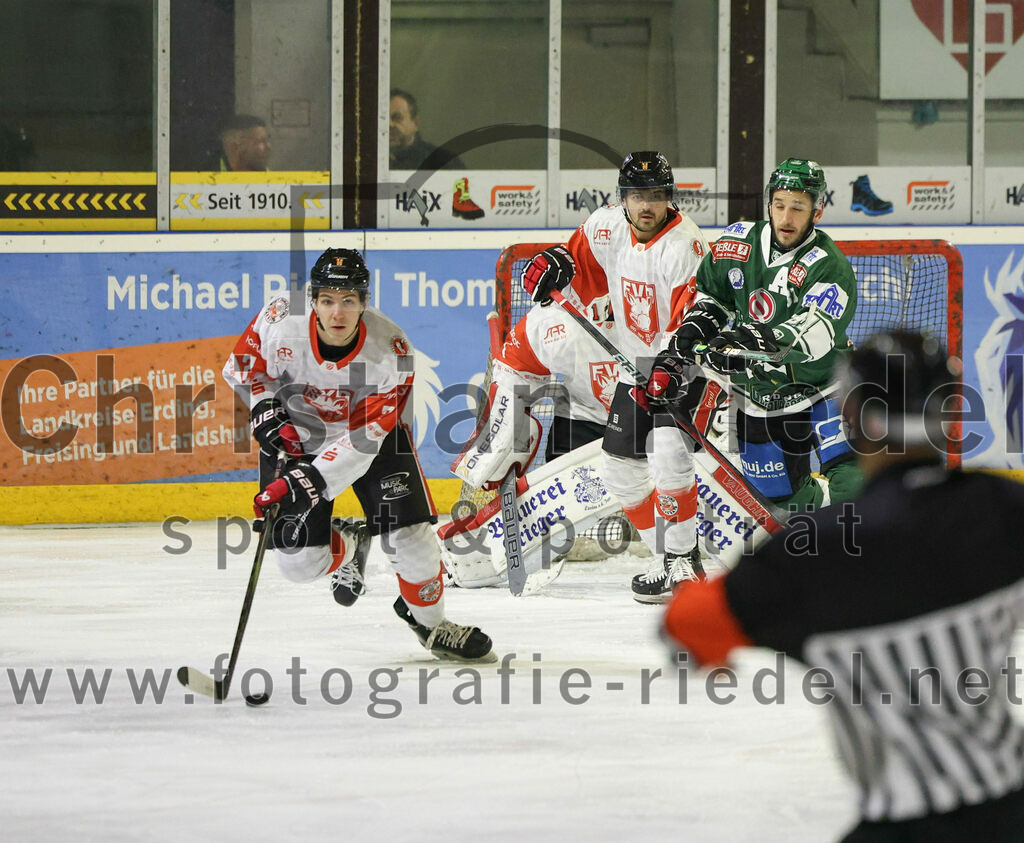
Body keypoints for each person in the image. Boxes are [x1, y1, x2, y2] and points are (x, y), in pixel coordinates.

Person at [662, 331, 1024, 842]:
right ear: (947, 416)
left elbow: (687, 623)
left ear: (853, 422)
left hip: (902, 822)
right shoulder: (1002, 509)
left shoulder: (810, 552)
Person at [222, 247, 495, 662]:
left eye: (349, 300)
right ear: (312, 300)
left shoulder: (393, 350)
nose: (338, 312)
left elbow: (365, 442)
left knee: (414, 542)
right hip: (298, 433)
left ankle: (432, 625)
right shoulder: (279, 318)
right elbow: (242, 368)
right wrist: (264, 406)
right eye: (328, 300)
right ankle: (349, 545)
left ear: (364, 303)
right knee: (298, 565)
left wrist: (310, 481)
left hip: (374, 441)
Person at [521, 150, 720, 604]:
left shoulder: (684, 246)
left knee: (669, 451)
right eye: (636, 195)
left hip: (686, 365)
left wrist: (669, 365)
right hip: (637, 368)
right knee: (620, 471)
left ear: (669, 197)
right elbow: (575, 261)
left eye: (655, 195)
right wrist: (554, 262)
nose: (646, 205)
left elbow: (691, 323)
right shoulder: (607, 225)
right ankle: (663, 559)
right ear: (622, 198)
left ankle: (685, 561)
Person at [653, 157, 862, 511]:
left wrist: (746, 339)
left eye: (798, 207)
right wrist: (697, 327)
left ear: (817, 211)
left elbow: (812, 333)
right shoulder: (737, 242)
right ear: (768, 203)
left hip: (827, 388)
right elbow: (713, 297)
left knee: (852, 479)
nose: (786, 217)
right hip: (759, 397)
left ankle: (865, 557)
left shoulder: (830, 264)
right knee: (782, 501)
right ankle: (823, 516)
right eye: (779, 205)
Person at [388, 88, 464, 171]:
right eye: (383, 119)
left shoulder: (443, 162)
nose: (389, 124)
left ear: (415, 123)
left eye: (397, 117)